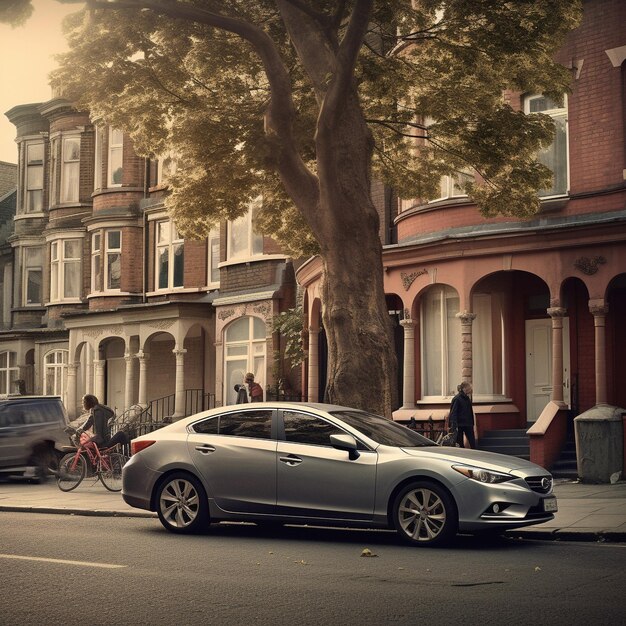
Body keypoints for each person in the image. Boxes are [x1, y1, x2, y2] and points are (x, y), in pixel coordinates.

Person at [448, 381, 476, 449]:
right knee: (460, 442)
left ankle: (474, 453)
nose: (470, 390)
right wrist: (454, 425)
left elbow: (470, 411)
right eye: (469, 388)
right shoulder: (457, 399)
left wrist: (472, 423)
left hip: (468, 424)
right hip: (460, 424)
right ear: (465, 388)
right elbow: (453, 412)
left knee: (472, 441)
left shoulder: (467, 399)